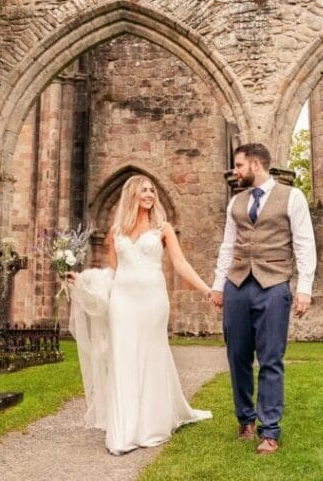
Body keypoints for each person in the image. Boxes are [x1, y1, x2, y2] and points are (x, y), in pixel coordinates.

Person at [68, 174, 214, 455]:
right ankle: (123, 430)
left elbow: (180, 263)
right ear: (132, 194)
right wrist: (82, 279)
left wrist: (206, 290)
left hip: (153, 302)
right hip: (123, 302)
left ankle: (151, 425)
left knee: (150, 356)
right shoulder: (115, 232)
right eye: (144, 190)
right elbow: (112, 272)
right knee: (123, 359)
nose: (150, 194)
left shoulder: (163, 228)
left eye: (152, 190)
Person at [210, 143, 316, 455]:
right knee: (237, 356)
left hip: (273, 286)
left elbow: (304, 244)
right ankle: (246, 419)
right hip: (237, 285)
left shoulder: (292, 197)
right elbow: (228, 246)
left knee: (271, 359)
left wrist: (304, 288)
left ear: (256, 164)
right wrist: (219, 286)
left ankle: (270, 431)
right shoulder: (235, 202)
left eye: (239, 166)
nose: (235, 172)